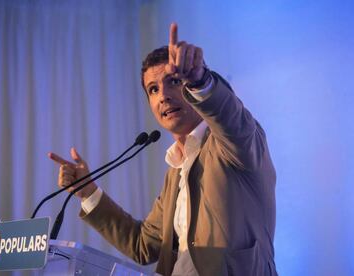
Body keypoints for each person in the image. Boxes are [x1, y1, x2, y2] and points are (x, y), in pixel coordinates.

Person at [49, 23, 277, 276]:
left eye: (174, 81)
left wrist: (201, 80)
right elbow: (142, 245)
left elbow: (230, 116)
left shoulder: (234, 143)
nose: (163, 96)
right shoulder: (176, 172)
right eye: (153, 89)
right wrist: (87, 191)